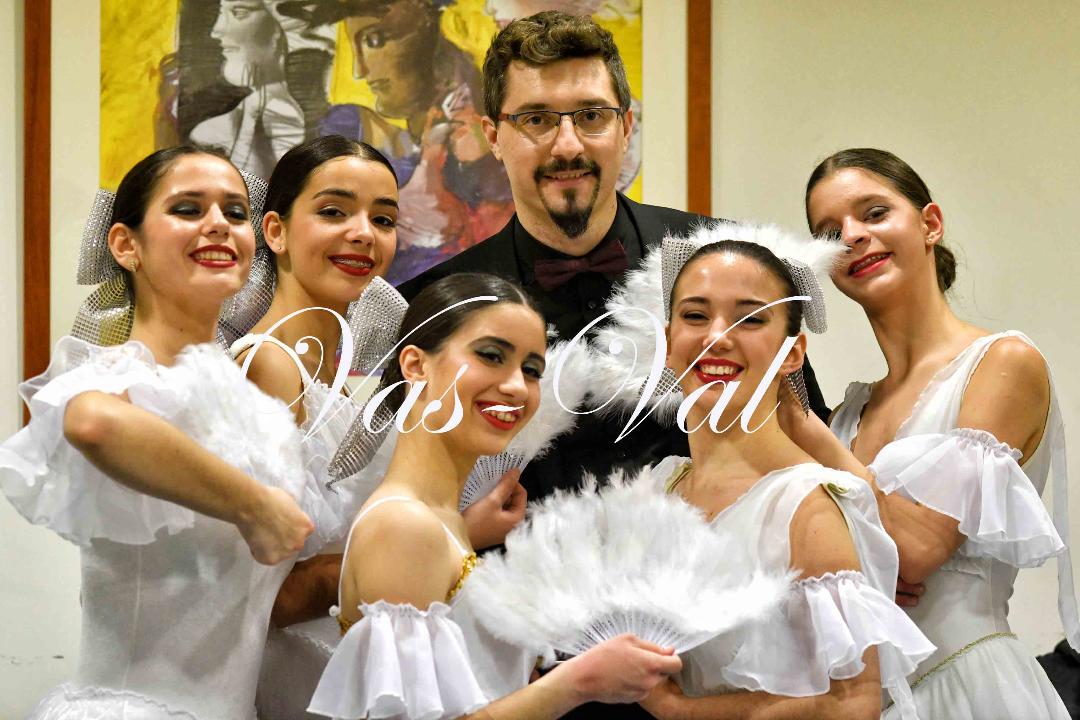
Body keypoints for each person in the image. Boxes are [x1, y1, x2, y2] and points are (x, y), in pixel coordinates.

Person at [398, 11, 829, 508]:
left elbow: (804, 436)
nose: (567, 145)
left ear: (625, 127)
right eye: (536, 119)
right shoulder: (431, 305)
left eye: (591, 116)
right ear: (493, 137)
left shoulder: (732, 265)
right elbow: (414, 496)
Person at [0, 147, 315, 718]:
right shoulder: (118, 379)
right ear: (127, 245)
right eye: (188, 208)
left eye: (236, 212)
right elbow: (93, 423)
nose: (218, 223)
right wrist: (255, 508)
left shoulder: (256, 403)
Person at [595, 224, 933, 719]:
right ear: (668, 342)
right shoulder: (663, 488)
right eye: (695, 315)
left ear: (792, 353)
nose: (716, 337)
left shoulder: (806, 507)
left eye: (750, 319)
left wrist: (676, 710)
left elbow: (852, 704)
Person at [308, 272, 683, 719]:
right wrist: (578, 681)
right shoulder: (404, 526)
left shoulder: (437, 519)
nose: (516, 387)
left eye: (532, 370)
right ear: (415, 365)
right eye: (490, 356)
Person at [787, 147, 1077, 718]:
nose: (853, 236)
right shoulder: (847, 416)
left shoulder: (1002, 362)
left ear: (930, 224)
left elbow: (916, 550)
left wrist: (797, 422)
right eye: (830, 233)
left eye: (874, 213)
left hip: (971, 691)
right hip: (867, 701)